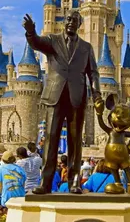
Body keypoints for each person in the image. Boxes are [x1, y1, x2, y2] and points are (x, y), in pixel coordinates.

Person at [22, 11, 103, 194]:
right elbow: (36, 43)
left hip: (77, 97)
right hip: (55, 95)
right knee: (51, 138)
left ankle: (75, 182)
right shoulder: (52, 40)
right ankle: (46, 183)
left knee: (75, 141)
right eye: (68, 19)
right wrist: (30, 32)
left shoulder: (86, 47)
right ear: (63, 22)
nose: (71, 23)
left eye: (75, 20)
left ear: (80, 23)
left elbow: (94, 73)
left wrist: (97, 93)